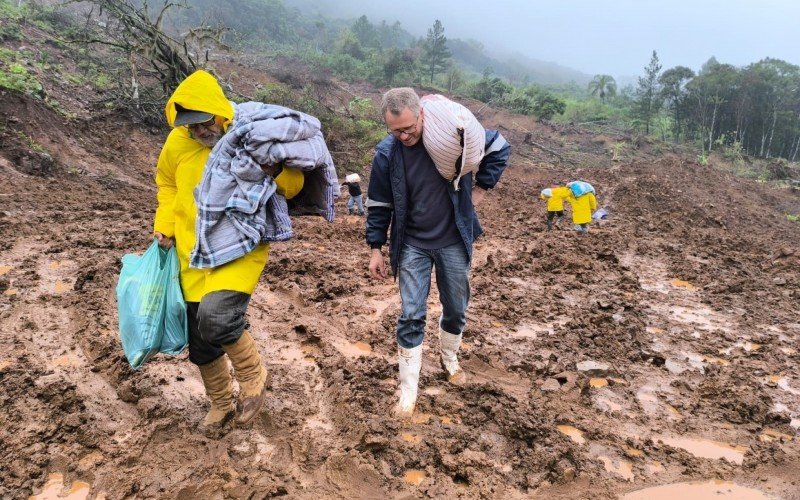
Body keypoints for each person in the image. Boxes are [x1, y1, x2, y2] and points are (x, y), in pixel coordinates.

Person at [153, 70, 305, 437]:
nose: (200, 132)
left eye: (205, 124)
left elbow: (294, 185)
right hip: (191, 253)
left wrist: (273, 171)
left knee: (218, 317)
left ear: (219, 113)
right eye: (192, 127)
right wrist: (164, 226)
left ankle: (253, 375)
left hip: (238, 248)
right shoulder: (176, 144)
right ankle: (220, 402)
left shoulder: (251, 138)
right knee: (202, 340)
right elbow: (167, 186)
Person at [366, 88, 511, 417]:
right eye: (396, 131)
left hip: (453, 240)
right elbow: (378, 204)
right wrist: (375, 248)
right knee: (411, 314)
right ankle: (408, 392)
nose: (404, 136)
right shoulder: (387, 154)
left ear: (421, 115)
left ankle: (449, 359)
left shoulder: (448, 137)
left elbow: (499, 146)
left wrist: (481, 191)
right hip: (412, 244)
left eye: (409, 128)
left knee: (456, 308)